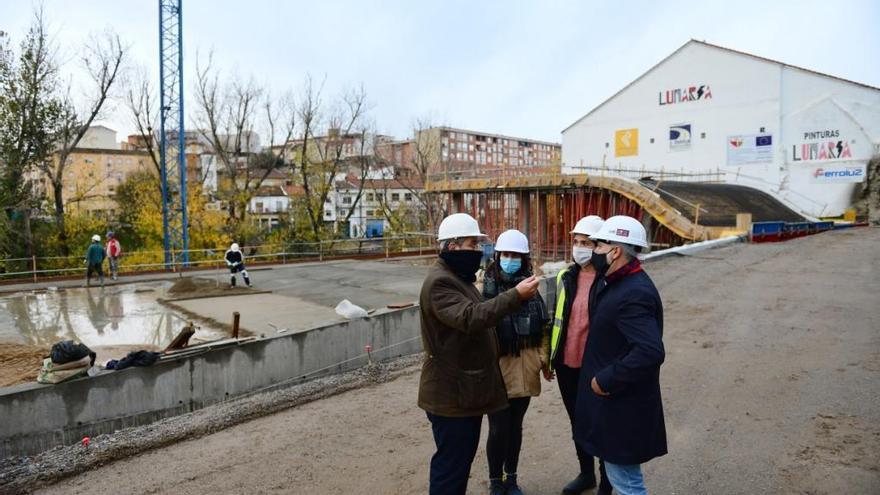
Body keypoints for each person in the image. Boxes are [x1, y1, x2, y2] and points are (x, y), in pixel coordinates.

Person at [418, 213, 540, 495]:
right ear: (452, 246)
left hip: (463, 392)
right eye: (473, 244)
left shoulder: (456, 278)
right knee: (451, 467)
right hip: (451, 394)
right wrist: (515, 296)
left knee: (458, 463)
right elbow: (471, 317)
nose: (478, 251)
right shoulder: (441, 282)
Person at [575, 215, 667, 495]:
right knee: (621, 476)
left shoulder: (633, 293)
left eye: (599, 246)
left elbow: (650, 351)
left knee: (627, 484)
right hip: (613, 405)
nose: (594, 251)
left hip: (619, 403)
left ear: (615, 251)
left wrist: (606, 379)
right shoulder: (617, 282)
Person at [482, 229, 550, 495]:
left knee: (515, 427)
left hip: (525, 369)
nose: (510, 259)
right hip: (497, 371)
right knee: (498, 428)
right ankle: (495, 481)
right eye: (505, 254)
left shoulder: (532, 288)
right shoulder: (485, 287)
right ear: (497, 256)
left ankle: (511, 478)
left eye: (516, 255)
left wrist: (542, 360)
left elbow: (543, 326)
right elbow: (480, 324)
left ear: (525, 259)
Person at [547, 215, 612, 495]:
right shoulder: (566, 276)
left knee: (602, 423)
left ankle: (607, 480)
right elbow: (558, 319)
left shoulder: (609, 278)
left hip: (596, 365)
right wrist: (550, 359)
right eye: (576, 242)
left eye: (586, 242)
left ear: (600, 246)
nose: (579, 247)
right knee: (578, 421)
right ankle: (586, 473)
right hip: (566, 363)